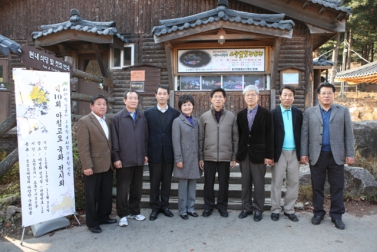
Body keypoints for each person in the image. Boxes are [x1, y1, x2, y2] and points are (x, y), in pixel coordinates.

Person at [301, 82, 354, 230]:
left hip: (336, 155)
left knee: (337, 187)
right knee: (317, 186)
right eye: (323, 93)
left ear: (333, 95)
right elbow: (305, 134)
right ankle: (318, 213)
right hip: (317, 155)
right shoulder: (310, 112)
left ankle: (336, 215)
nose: (326, 95)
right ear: (318, 96)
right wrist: (304, 153)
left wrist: (350, 153)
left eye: (329, 93)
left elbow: (348, 133)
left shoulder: (343, 111)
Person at [77, 95, 116, 234]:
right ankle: (92, 223)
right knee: (92, 196)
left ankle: (104, 217)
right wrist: (87, 165)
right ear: (91, 106)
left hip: (107, 164)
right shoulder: (85, 121)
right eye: (99, 104)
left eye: (104, 104)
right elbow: (83, 146)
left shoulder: (106, 121)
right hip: (93, 166)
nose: (102, 106)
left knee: (105, 194)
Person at [199, 87, 238, 218]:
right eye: (215, 96)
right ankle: (208, 206)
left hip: (225, 156)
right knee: (208, 183)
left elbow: (235, 138)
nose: (218, 99)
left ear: (224, 99)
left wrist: (234, 156)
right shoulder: (204, 117)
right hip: (209, 156)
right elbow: (201, 138)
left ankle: (222, 206)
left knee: (224, 183)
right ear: (211, 99)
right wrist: (201, 156)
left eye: (220, 96)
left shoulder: (231, 117)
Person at [111, 90, 148, 227]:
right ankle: (122, 214)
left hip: (139, 159)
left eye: (135, 98)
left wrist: (145, 154)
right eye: (130, 98)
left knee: (137, 187)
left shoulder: (141, 117)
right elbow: (114, 140)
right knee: (122, 188)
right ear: (124, 100)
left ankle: (135, 211)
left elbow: (145, 138)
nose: (133, 100)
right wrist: (116, 157)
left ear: (138, 101)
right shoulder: (117, 118)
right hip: (124, 160)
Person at [237, 85, 273, 222]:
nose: (250, 97)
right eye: (247, 95)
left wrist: (269, 156)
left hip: (259, 154)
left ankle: (258, 209)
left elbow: (270, 136)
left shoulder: (266, 114)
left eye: (253, 94)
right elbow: (239, 136)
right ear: (244, 98)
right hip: (244, 154)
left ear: (258, 96)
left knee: (259, 183)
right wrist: (238, 154)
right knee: (245, 183)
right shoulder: (240, 115)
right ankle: (246, 207)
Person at [144, 85, 180, 221]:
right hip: (154, 153)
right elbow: (145, 135)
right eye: (160, 94)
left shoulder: (175, 113)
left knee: (167, 182)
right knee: (154, 182)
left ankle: (165, 206)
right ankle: (154, 207)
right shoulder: (148, 113)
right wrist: (145, 153)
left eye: (164, 94)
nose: (162, 96)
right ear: (155, 95)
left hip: (169, 153)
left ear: (168, 96)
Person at [270, 85, 303, 222]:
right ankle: (276, 209)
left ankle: (289, 209)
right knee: (277, 182)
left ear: (293, 98)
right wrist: (270, 155)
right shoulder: (273, 113)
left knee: (293, 182)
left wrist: (303, 153)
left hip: (294, 152)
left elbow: (302, 133)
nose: (287, 98)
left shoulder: (298, 113)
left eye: (290, 95)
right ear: (280, 97)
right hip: (279, 153)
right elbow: (270, 135)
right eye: (285, 95)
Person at [172, 94, 201, 220]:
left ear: (193, 106)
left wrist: (201, 158)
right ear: (180, 107)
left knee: (192, 185)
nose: (187, 107)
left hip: (194, 158)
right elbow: (176, 141)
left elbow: (199, 140)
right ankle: (183, 210)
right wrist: (178, 159)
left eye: (189, 104)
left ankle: (191, 208)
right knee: (183, 186)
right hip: (183, 158)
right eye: (184, 105)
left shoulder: (196, 121)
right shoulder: (177, 121)